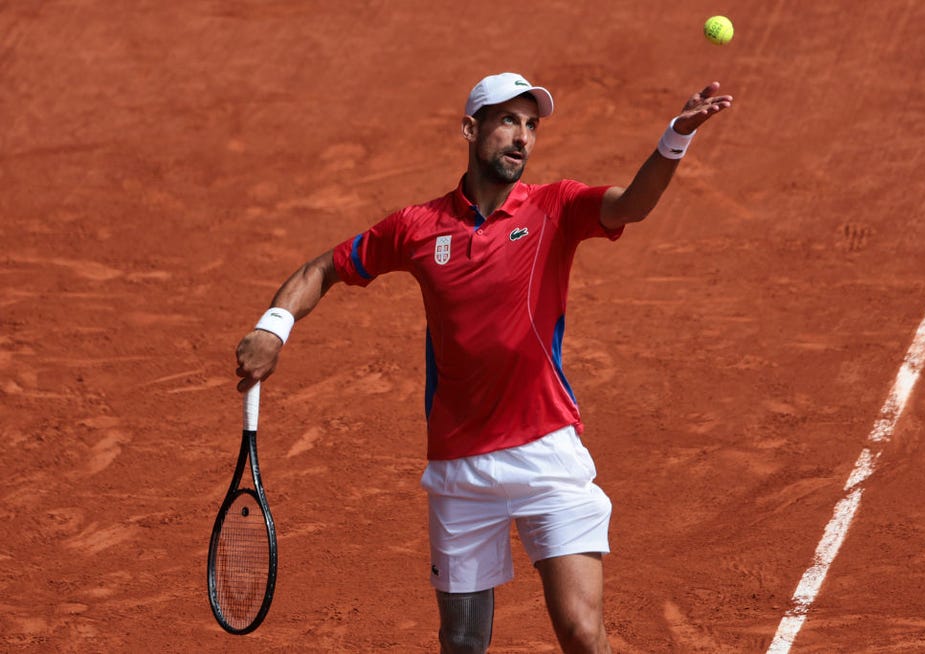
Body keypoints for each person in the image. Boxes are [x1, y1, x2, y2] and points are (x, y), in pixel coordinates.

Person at [235, 72, 733, 653]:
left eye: (531, 125)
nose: (522, 137)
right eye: (508, 121)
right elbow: (324, 268)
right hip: (459, 468)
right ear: (472, 129)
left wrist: (675, 137)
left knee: (580, 632)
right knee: (464, 642)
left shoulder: (556, 206)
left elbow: (632, 205)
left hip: (546, 451)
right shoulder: (416, 227)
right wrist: (273, 327)